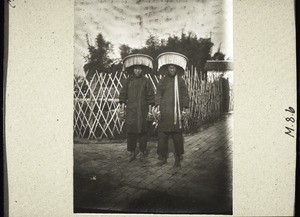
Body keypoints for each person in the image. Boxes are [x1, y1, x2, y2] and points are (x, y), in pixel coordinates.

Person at [154, 52, 190, 167]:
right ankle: (163, 158)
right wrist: (158, 107)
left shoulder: (180, 81)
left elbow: (184, 95)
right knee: (162, 136)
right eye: (170, 68)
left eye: (173, 68)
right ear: (167, 69)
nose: (172, 70)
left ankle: (178, 158)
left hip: (176, 112)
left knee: (177, 136)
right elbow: (158, 94)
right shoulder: (163, 81)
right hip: (164, 112)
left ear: (176, 69)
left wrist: (185, 108)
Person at [118, 54, 155, 165]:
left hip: (143, 111)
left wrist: (149, 111)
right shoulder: (128, 81)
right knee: (131, 132)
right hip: (131, 111)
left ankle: (143, 152)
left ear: (142, 70)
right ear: (132, 69)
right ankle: (132, 152)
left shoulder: (146, 81)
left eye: (139, 69)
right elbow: (123, 96)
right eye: (135, 68)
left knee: (143, 132)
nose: (137, 71)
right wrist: (122, 110)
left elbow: (150, 98)